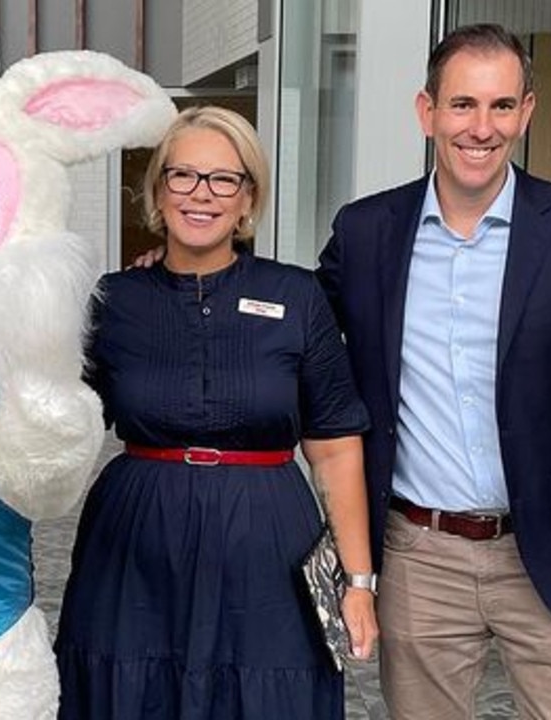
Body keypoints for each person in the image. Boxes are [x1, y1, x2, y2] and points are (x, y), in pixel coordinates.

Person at [316, 23, 551, 720]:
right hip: (419, 554)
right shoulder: (366, 232)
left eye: (502, 106)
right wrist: (189, 273)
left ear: (526, 112)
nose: (482, 127)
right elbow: (301, 331)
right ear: (427, 112)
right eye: (463, 105)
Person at [54, 106, 378, 720]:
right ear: (157, 190)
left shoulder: (297, 296)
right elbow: (60, 427)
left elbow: (335, 447)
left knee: (265, 693)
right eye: (183, 176)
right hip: (135, 539)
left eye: (224, 179)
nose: (201, 195)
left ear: (248, 199)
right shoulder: (109, 302)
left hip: (268, 543)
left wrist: (357, 585)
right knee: (130, 692)